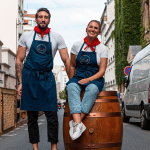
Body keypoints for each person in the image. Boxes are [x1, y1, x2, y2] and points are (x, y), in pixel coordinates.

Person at [16, 8, 70, 150]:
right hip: (30, 78)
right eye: (40, 17)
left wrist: (72, 81)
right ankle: (35, 148)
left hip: (47, 77)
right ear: (36, 19)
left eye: (46, 17)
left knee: (52, 115)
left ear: (49, 20)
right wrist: (20, 82)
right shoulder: (26, 36)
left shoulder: (56, 37)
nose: (43, 19)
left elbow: (66, 60)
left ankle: (54, 147)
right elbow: (19, 60)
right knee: (32, 117)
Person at [66, 20, 108, 140]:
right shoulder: (76, 45)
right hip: (78, 75)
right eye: (91, 27)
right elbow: (72, 65)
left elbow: (102, 71)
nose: (93, 29)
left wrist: (89, 79)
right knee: (71, 87)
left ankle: (77, 122)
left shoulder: (102, 48)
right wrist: (72, 80)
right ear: (86, 29)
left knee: (92, 88)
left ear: (99, 32)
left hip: (95, 77)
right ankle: (79, 124)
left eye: (96, 28)